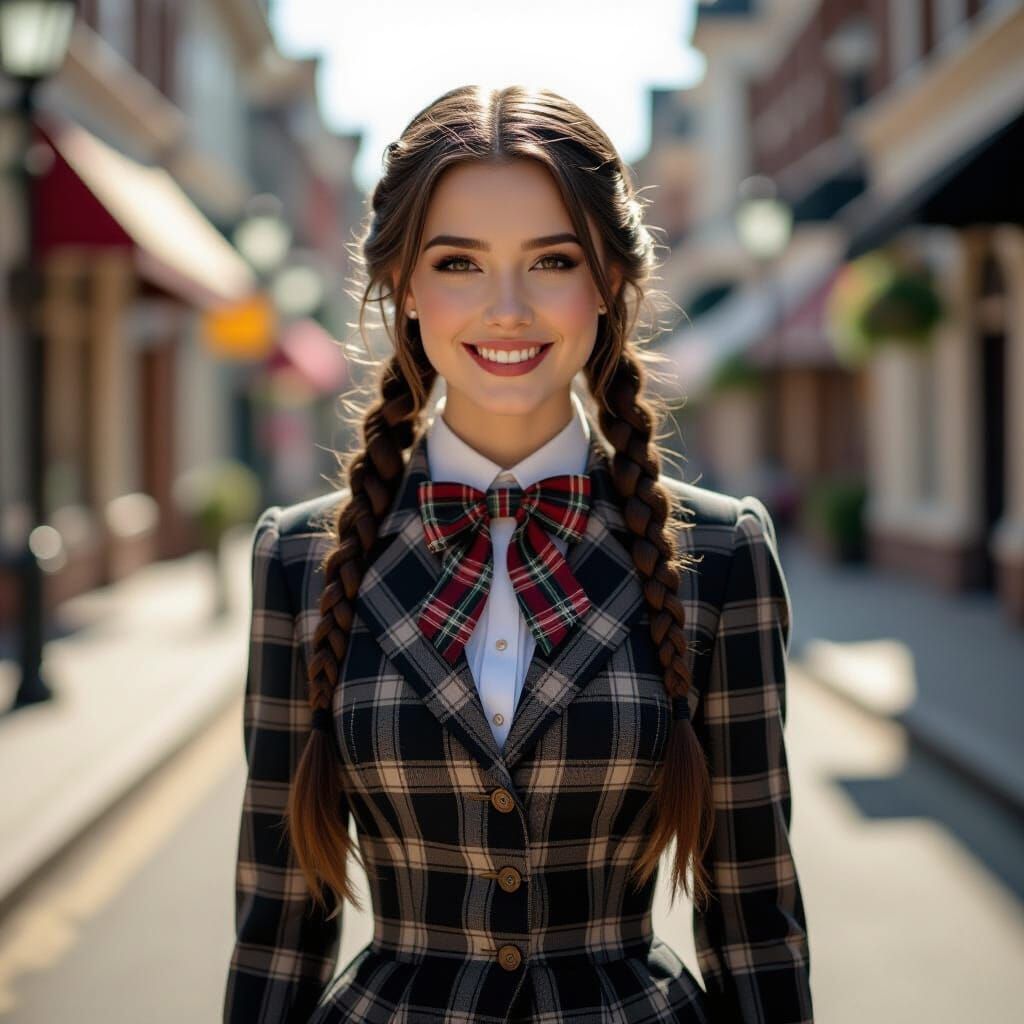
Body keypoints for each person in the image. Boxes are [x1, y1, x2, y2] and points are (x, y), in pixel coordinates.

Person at [223, 84, 813, 1024]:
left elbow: (754, 914)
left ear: (610, 281)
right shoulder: (300, 560)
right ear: (406, 287)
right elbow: (277, 924)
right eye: (459, 261)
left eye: (551, 260)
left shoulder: (720, 554)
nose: (506, 308)